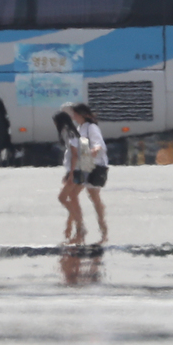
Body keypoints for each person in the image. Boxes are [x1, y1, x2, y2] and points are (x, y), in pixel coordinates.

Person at [67, 103, 109, 244]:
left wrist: (90, 153)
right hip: (85, 165)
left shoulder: (92, 128)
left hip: (94, 165)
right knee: (89, 196)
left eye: (76, 114)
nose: (74, 117)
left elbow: (98, 145)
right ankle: (97, 228)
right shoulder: (79, 129)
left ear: (83, 115)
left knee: (84, 195)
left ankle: (88, 229)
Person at [53, 111, 86, 243]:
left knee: (62, 198)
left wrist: (71, 174)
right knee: (73, 198)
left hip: (77, 171)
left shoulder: (68, 133)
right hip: (84, 170)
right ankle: (76, 230)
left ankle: (80, 227)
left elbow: (74, 154)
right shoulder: (74, 132)